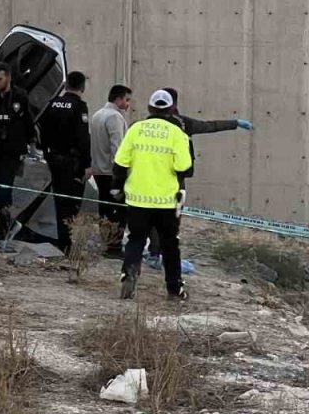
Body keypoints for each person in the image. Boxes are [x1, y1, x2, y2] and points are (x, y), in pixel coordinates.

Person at [144, 86, 254, 270]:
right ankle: (161, 256)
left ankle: (154, 254)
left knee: (152, 216)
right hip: (174, 178)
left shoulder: (145, 125)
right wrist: (236, 123)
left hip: (149, 175)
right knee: (170, 218)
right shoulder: (183, 124)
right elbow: (210, 126)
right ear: (175, 104)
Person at [112, 89, 193, 301]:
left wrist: (117, 186)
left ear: (149, 108)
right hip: (165, 201)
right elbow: (184, 166)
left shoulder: (136, 129)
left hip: (137, 198)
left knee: (136, 239)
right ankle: (174, 289)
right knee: (170, 245)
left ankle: (128, 273)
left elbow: (121, 161)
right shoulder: (177, 134)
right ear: (171, 109)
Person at [0, 62, 35, 244]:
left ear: (8, 78)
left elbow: (28, 122)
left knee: (4, 188)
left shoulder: (20, 96)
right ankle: (9, 221)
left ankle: (3, 229)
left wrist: (30, 146)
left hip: (11, 151)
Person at [38, 71, 92, 253]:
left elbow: (42, 131)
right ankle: (66, 243)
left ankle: (61, 239)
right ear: (82, 87)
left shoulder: (52, 104)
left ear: (66, 84)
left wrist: (46, 152)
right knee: (71, 203)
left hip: (53, 159)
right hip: (72, 162)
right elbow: (83, 138)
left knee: (58, 200)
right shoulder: (79, 107)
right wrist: (87, 164)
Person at [90, 84, 131, 257]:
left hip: (99, 169)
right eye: (126, 99)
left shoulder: (97, 114)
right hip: (111, 172)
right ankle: (113, 246)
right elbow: (118, 147)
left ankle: (105, 242)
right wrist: (122, 173)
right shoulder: (115, 117)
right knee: (118, 210)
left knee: (104, 207)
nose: (128, 104)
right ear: (118, 98)